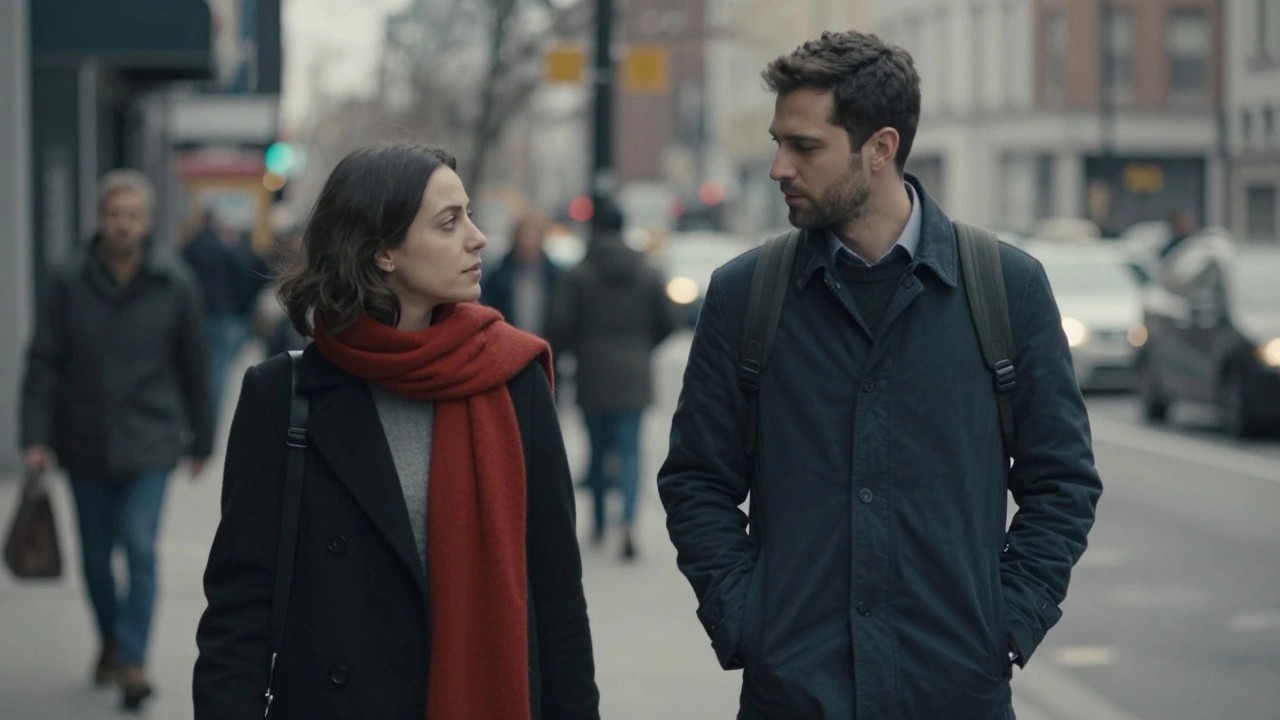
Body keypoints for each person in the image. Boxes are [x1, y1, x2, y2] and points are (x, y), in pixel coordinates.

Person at [657, 31, 1102, 719]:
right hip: (795, 695)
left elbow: (1062, 480)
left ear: (880, 148)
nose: (778, 167)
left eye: (803, 147)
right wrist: (745, 619)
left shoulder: (1006, 288)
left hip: (956, 692)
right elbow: (697, 480)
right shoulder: (746, 295)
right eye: (779, 141)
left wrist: (1009, 622)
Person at [193, 142, 600, 720]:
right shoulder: (283, 396)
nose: (478, 237)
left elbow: (557, 594)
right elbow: (240, 606)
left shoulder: (512, 378)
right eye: (449, 222)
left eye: (470, 215)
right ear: (383, 251)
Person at [20, 169, 213, 711]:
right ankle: (109, 637)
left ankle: (132, 661)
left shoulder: (174, 281)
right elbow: (43, 360)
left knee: (141, 546)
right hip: (82, 437)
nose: (123, 224)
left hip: (151, 437)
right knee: (96, 560)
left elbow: (195, 366)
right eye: (114, 214)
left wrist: (203, 439)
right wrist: (34, 436)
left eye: (132, 215)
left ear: (147, 222)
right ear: (100, 218)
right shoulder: (67, 279)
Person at [548, 199, 678, 561]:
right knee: (630, 449)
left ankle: (601, 522)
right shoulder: (646, 270)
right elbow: (668, 320)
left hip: (593, 369)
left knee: (597, 447)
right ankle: (629, 524)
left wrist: (579, 349)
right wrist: (640, 346)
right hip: (634, 370)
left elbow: (559, 323)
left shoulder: (579, 273)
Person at [182, 208, 254, 420]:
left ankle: (198, 412)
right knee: (219, 369)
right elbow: (243, 277)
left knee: (198, 367)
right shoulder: (224, 248)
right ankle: (211, 414)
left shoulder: (190, 248)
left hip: (197, 314)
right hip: (223, 314)